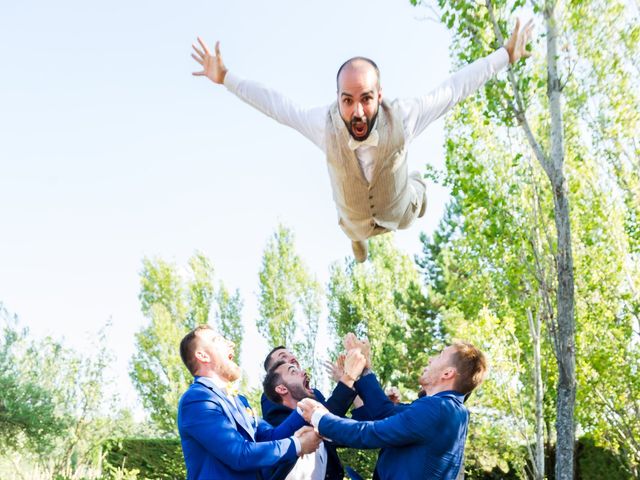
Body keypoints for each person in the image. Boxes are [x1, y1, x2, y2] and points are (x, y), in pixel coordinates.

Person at [190, 19, 533, 262]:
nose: (357, 112)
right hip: (353, 216)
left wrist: (505, 54)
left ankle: (407, 198)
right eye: (347, 100)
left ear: (379, 95)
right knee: (351, 223)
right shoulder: (322, 125)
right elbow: (277, 105)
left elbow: (454, 89)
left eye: (366, 99)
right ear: (337, 98)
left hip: (399, 209)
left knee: (418, 194)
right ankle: (358, 239)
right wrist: (225, 78)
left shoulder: (404, 115)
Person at [298, 341, 489, 480]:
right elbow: (385, 413)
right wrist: (362, 372)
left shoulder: (439, 408)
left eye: (439, 355)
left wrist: (320, 418)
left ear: (448, 373)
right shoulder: (450, 411)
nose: (431, 359)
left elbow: (371, 432)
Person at [177, 326, 322, 480]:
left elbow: (270, 436)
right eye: (218, 340)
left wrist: (303, 408)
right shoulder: (196, 400)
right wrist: (297, 445)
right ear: (203, 356)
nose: (231, 343)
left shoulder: (240, 401)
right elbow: (238, 454)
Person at [261, 350, 365, 480]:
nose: (293, 357)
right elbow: (323, 418)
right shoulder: (271, 400)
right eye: (283, 357)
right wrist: (348, 378)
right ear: (280, 388)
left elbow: (356, 428)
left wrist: (351, 381)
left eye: (292, 354)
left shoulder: (314, 394)